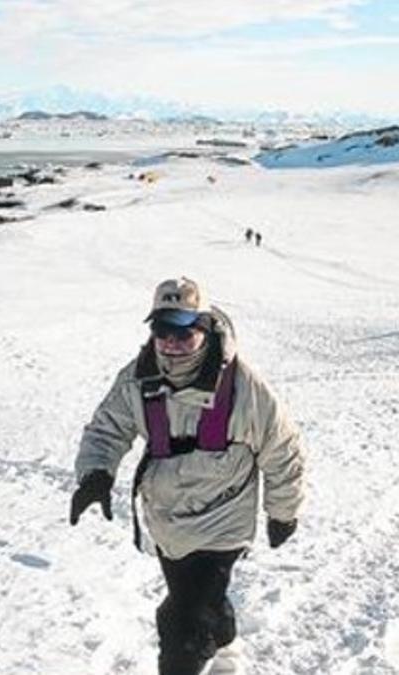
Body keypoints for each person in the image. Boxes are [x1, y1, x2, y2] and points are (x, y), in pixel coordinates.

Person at [71, 277, 306, 675]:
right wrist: (95, 473)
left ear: (205, 327)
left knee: (182, 626)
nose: (171, 342)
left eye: (184, 331)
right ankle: (224, 641)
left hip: (223, 519)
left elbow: (282, 449)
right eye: (162, 330)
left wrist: (283, 511)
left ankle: (199, 649)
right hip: (168, 520)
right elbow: (107, 428)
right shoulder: (139, 378)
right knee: (191, 598)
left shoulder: (242, 387)